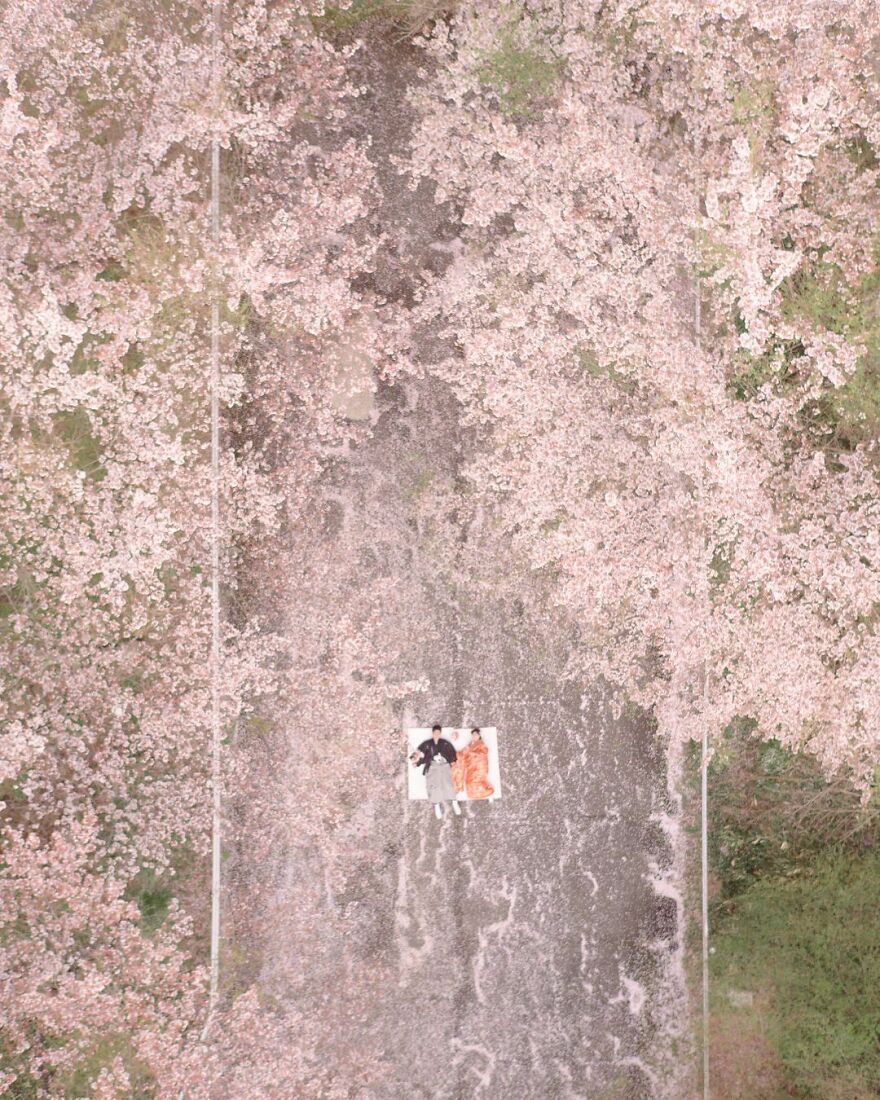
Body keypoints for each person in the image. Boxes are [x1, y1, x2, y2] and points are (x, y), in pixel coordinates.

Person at [411, 724, 461, 819]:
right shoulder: (427, 744)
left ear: (440, 733)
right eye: (435, 733)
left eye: (438, 733)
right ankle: (436, 805)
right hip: (433, 766)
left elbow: (452, 754)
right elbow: (420, 755)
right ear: (433, 733)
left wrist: (449, 760)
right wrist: (417, 763)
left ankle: (454, 802)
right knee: (434, 786)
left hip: (444, 765)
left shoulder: (445, 743)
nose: (437, 734)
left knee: (449, 784)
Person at [451, 727, 495, 800]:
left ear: (479, 736)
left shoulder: (481, 744)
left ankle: (485, 792)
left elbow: (483, 754)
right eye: (473, 735)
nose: (474, 736)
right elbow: (463, 752)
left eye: (476, 735)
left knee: (475, 780)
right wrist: (459, 755)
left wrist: (472, 754)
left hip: (479, 766)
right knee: (469, 781)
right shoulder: (470, 745)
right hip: (471, 766)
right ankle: (475, 793)